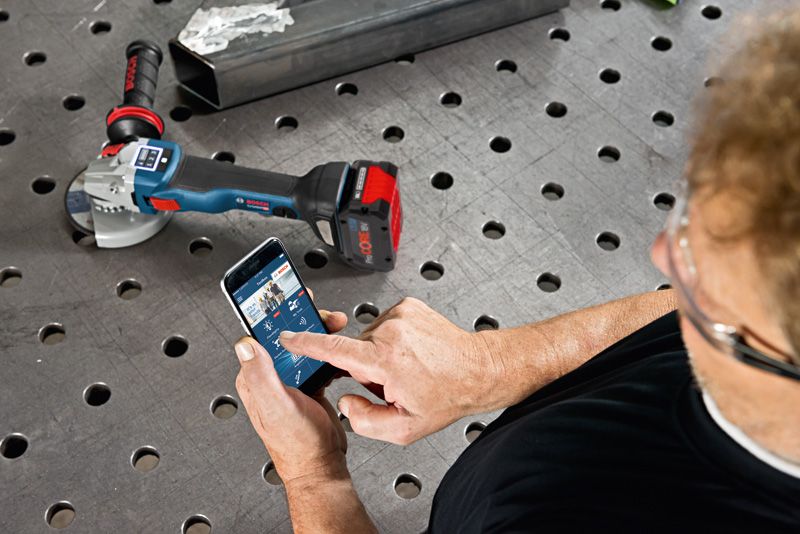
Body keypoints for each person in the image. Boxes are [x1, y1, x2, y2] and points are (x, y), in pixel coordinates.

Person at [231, 11, 800, 533]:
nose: (661, 256)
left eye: (702, 265)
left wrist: (314, 474)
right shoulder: (764, 341)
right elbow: (672, 318)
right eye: (689, 207)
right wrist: (488, 367)